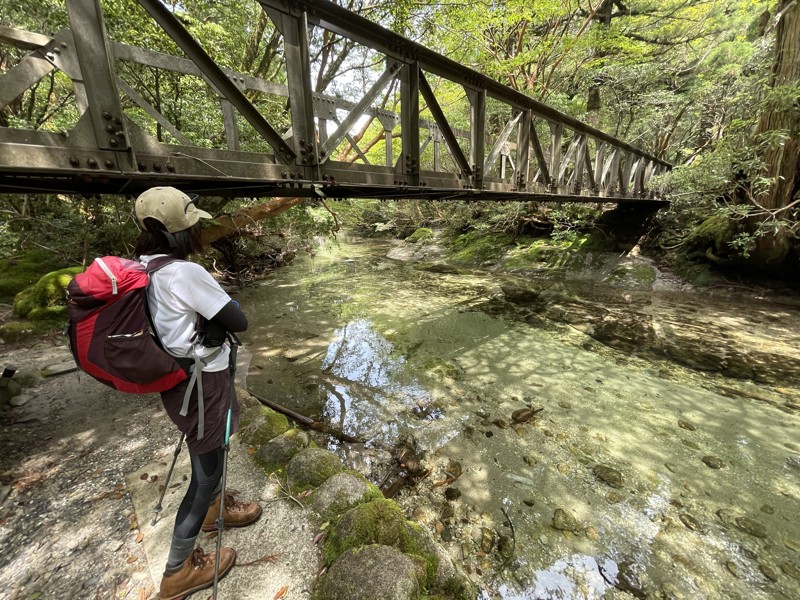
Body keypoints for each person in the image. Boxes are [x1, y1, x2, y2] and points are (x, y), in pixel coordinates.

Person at [133, 186, 262, 599]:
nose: (196, 233)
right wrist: (223, 315)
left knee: (211, 450)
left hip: (181, 379)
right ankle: (177, 572)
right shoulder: (184, 272)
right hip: (203, 385)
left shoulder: (145, 268)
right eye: (191, 226)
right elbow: (237, 320)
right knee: (204, 474)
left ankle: (214, 511)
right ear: (175, 232)